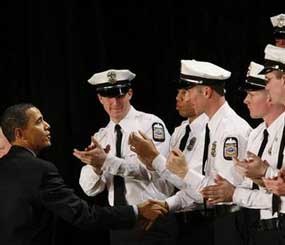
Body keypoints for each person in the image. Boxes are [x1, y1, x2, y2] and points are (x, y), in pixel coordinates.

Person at [0, 103, 167, 245]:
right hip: (128, 224)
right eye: (39, 121)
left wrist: (100, 165)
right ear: (19, 134)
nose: (47, 125)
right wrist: (136, 211)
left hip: (156, 226)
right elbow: (84, 214)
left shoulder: (150, 123)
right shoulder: (41, 169)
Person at [131, 60, 252, 245]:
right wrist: (166, 204)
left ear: (206, 92)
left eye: (190, 92)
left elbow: (217, 193)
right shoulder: (214, 126)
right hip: (207, 224)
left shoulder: (231, 131)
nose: (188, 98)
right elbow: (196, 189)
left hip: (227, 224)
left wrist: (175, 168)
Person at [74, 69, 177, 245]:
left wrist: (107, 161)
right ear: (100, 98)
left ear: (129, 93)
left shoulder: (150, 124)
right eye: (108, 96)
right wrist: (96, 167)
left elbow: (154, 172)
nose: (114, 102)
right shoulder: (101, 136)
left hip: (153, 219)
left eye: (120, 95)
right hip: (120, 222)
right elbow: (90, 189)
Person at [201, 61, 285, 245]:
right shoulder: (256, 135)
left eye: (252, 94)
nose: (246, 100)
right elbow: (253, 188)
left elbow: (278, 195)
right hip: (256, 227)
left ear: (269, 96)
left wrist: (236, 192)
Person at [129, 60, 209, 244]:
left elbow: (196, 186)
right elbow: (173, 180)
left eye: (184, 93)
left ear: (203, 94)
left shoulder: (211, 130)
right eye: (177, 92)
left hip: (208, 219)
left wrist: (153, 157)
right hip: (181, 218)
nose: (178, 98)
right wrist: (149, 162)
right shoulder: (180, 131)